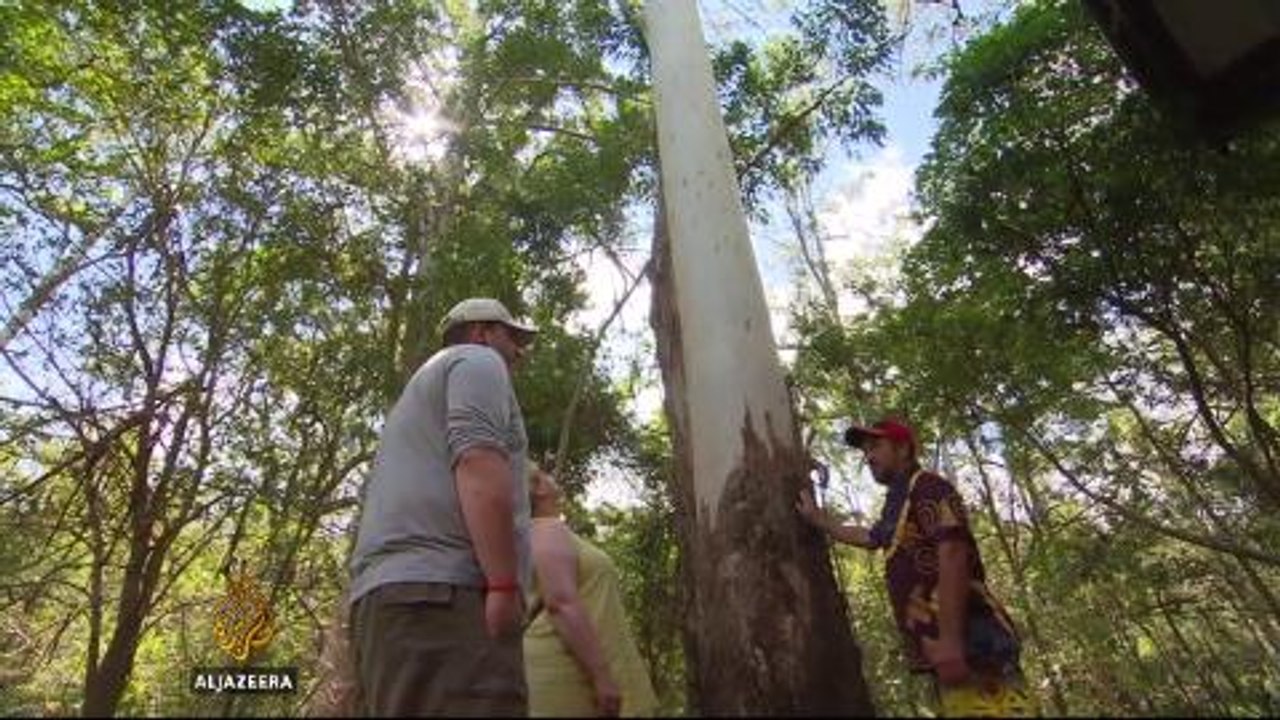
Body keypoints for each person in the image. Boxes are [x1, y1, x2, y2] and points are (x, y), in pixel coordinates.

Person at [347, 297, 538, 717]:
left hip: (390, 603)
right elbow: (477, 462)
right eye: (512, 336)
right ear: (481, 332)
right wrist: (504, 585)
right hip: (445, 599)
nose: (519, 351)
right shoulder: (478, 361)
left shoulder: (418, 397)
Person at [796, 417, 1035, 718]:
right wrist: (821, 520)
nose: (868, 457)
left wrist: (950, 640)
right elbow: (871, 537)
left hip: (972, 639)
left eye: (877, 446)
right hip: (949, 647)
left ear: (904, 449)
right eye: (865, 450)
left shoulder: (929, 486)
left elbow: (953, 553)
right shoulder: (899, 499)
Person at [523, 461, 659, 718]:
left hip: (562, 663)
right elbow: (561, 603)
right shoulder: (546, 530)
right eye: (543, 474)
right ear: (539, 488)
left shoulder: (534, 533)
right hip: (565, 669)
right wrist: (601, 676)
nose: (550, 476)